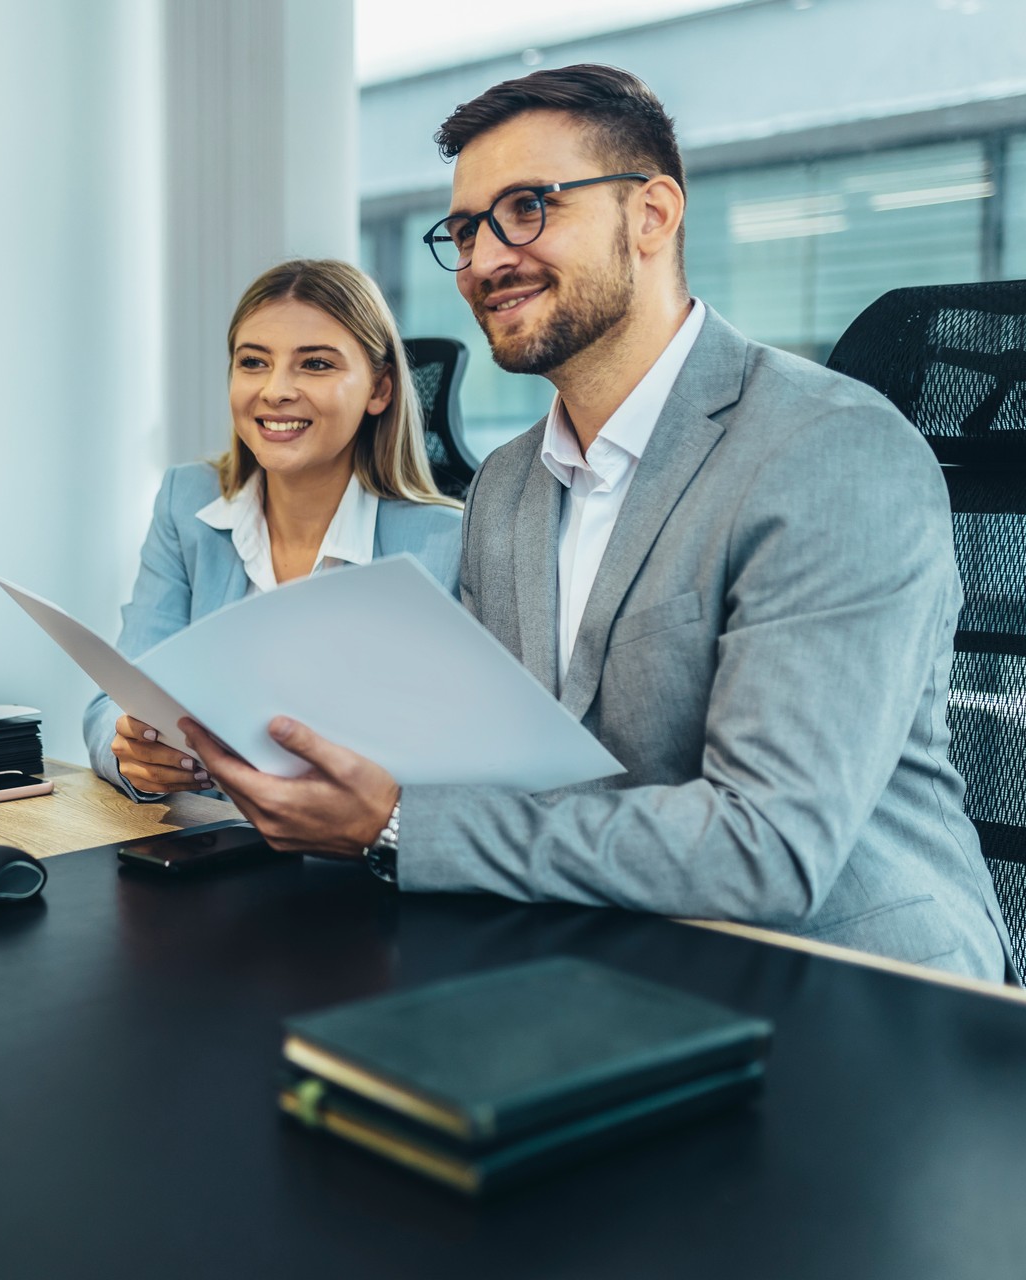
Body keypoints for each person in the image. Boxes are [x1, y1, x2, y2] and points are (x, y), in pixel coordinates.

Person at [180, 66, 1012, 980]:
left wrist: (396, 820)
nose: (486, 259)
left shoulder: (829, 449)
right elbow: (500, 765)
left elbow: (764, 846)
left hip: (855, 992)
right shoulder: (504, 485)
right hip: (605, 956)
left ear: (652, 214)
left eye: (528, 207)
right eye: (464, 230)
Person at [86, 259, 462, 800]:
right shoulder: (186, 503)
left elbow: (458, 764)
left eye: (315, 364)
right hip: (204, 849)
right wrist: (132, 753)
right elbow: (112, 701)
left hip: (354, 864)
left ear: (379, 389)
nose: (276, 390)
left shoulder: (445, 546)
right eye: (253, 362)